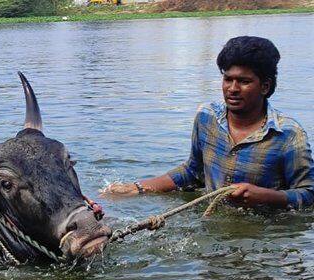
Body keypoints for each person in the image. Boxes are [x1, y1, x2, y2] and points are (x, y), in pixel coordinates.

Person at [101, 36, 314, 209]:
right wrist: (137, 188)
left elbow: (308, 194)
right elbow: (193, 171)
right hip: (212, 219)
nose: (232, 88)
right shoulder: (207, 117)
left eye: (244, 81)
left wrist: (266, 197)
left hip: (266, 233)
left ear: (265, 86)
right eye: (228, 79)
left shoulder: (288, 134)